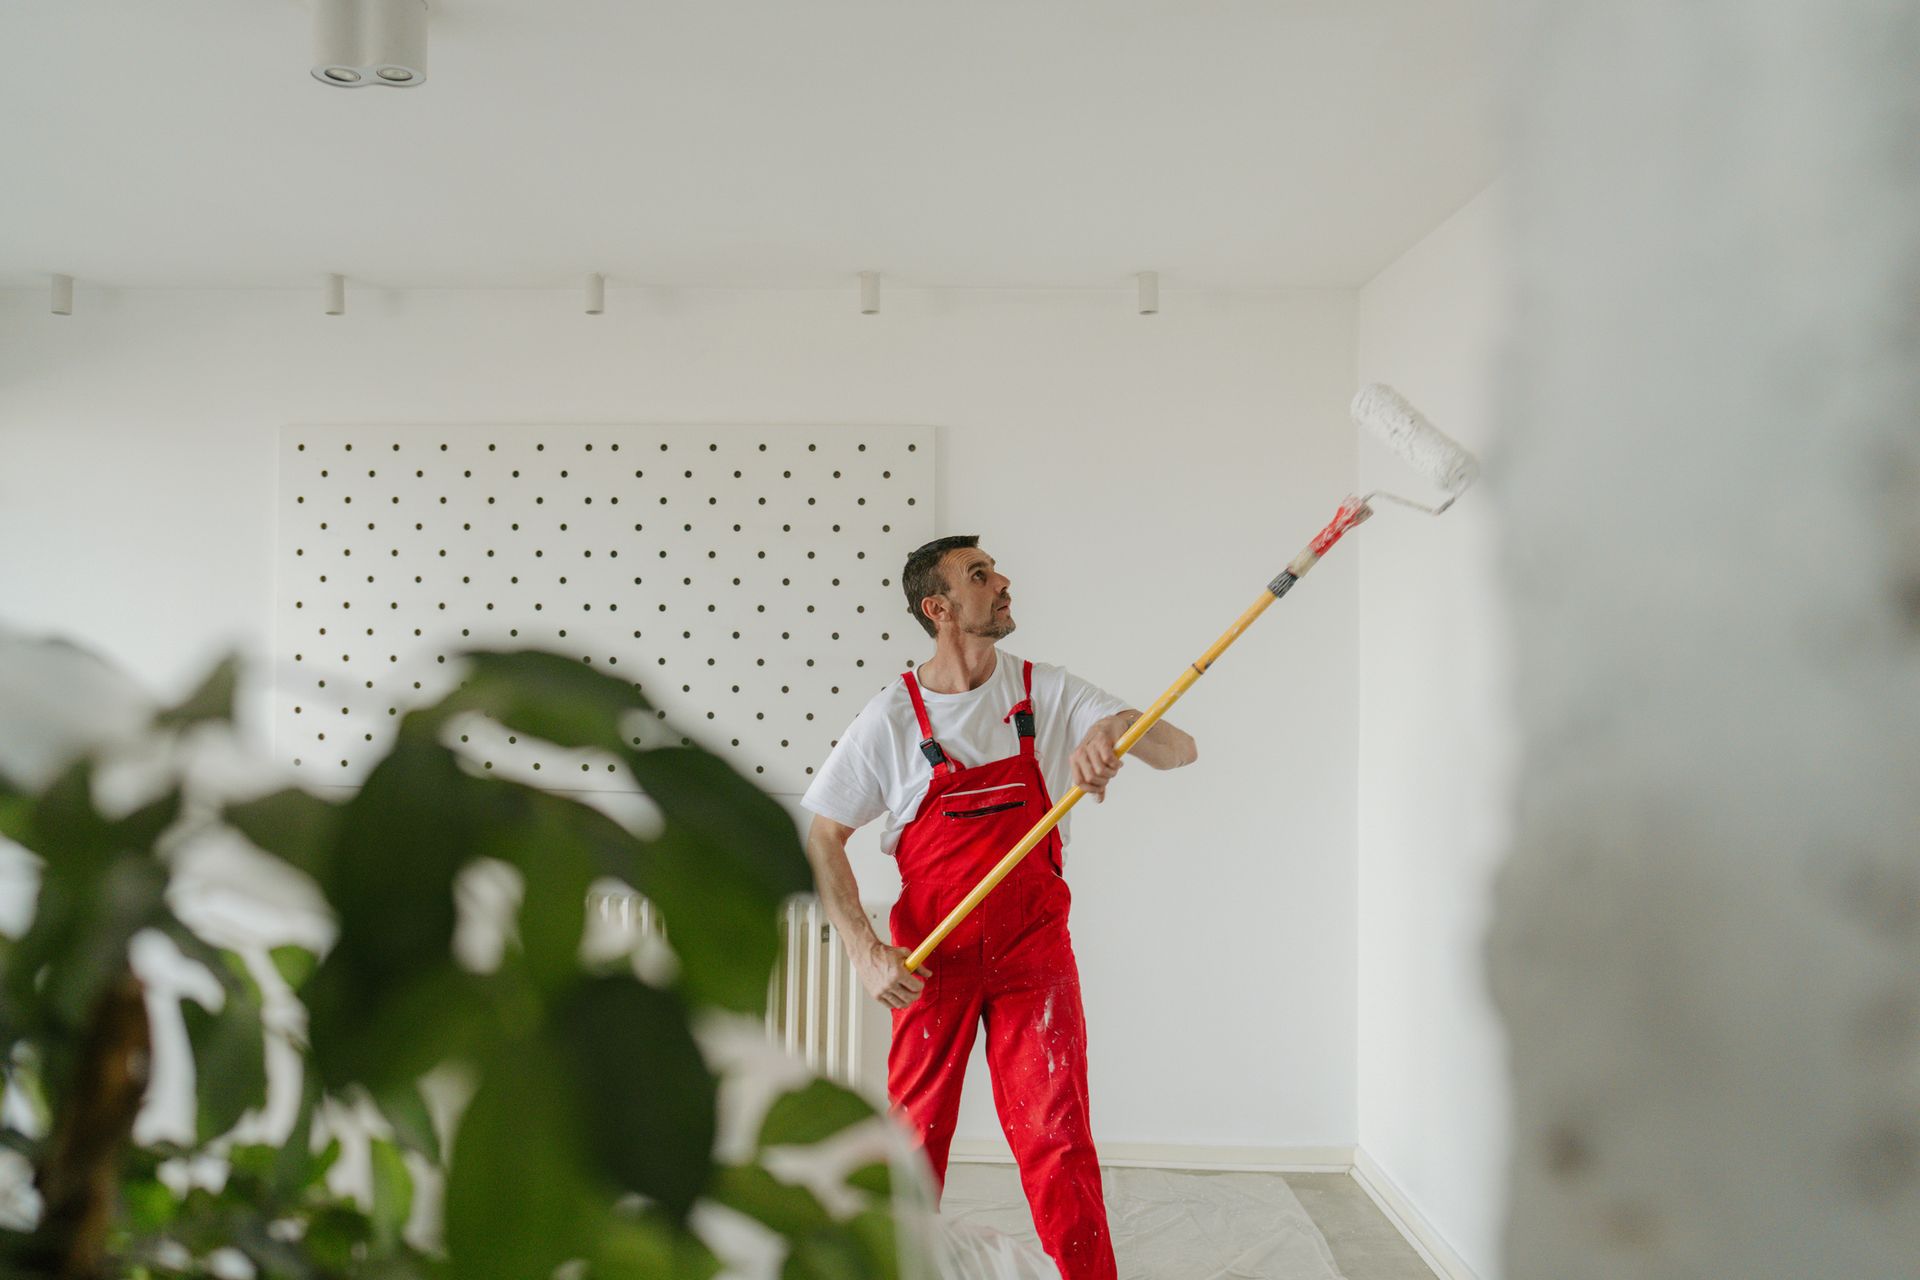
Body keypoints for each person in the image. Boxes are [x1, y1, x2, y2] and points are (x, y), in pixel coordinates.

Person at [800, 535, 1198, 1280]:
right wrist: (861, 949)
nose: (1005, 581)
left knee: (1058, 1142)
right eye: (982, 575)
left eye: (996, 569)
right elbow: (824, 836)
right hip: (930, 962)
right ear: (939, 608)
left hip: (1033, 958)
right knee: (911, 1149)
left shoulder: (1044, 691)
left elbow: (1180, 749)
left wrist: (1115, 732)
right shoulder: (891, 717)